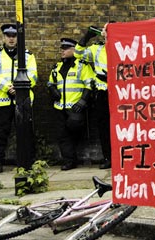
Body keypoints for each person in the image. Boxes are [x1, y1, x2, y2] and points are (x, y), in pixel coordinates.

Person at [0, 24, 38, 173]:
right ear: (3, 37)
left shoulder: (28, 56)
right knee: (0, 132)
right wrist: (7, 87)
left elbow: (33, 75)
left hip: (23, 100)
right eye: (8, 36)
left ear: (18, 38)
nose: (11, 38)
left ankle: (28, 160)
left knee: (26, 131)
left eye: (14, 36)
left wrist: (19, 88)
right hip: (3, 99)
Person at [47, 38, 94, 171]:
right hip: (60, 106)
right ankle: (69, 161)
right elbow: (50, 82)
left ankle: (73, 157)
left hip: (75, 107)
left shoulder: (82, 65)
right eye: (61, 48)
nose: (62, 50)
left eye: (66, 48)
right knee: (62, 135)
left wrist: (83, 101)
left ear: (74, 50)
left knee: (75, 131)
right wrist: (52, 89)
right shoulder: (57, 67)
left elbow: (90, 83)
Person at [75, 23, 112, 169]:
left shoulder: (126, 46)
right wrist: (87, 37)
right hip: (102, 92)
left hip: (121, 93)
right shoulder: (97, 48)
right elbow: (78, 53)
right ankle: (108, 157)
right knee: (104, 127)